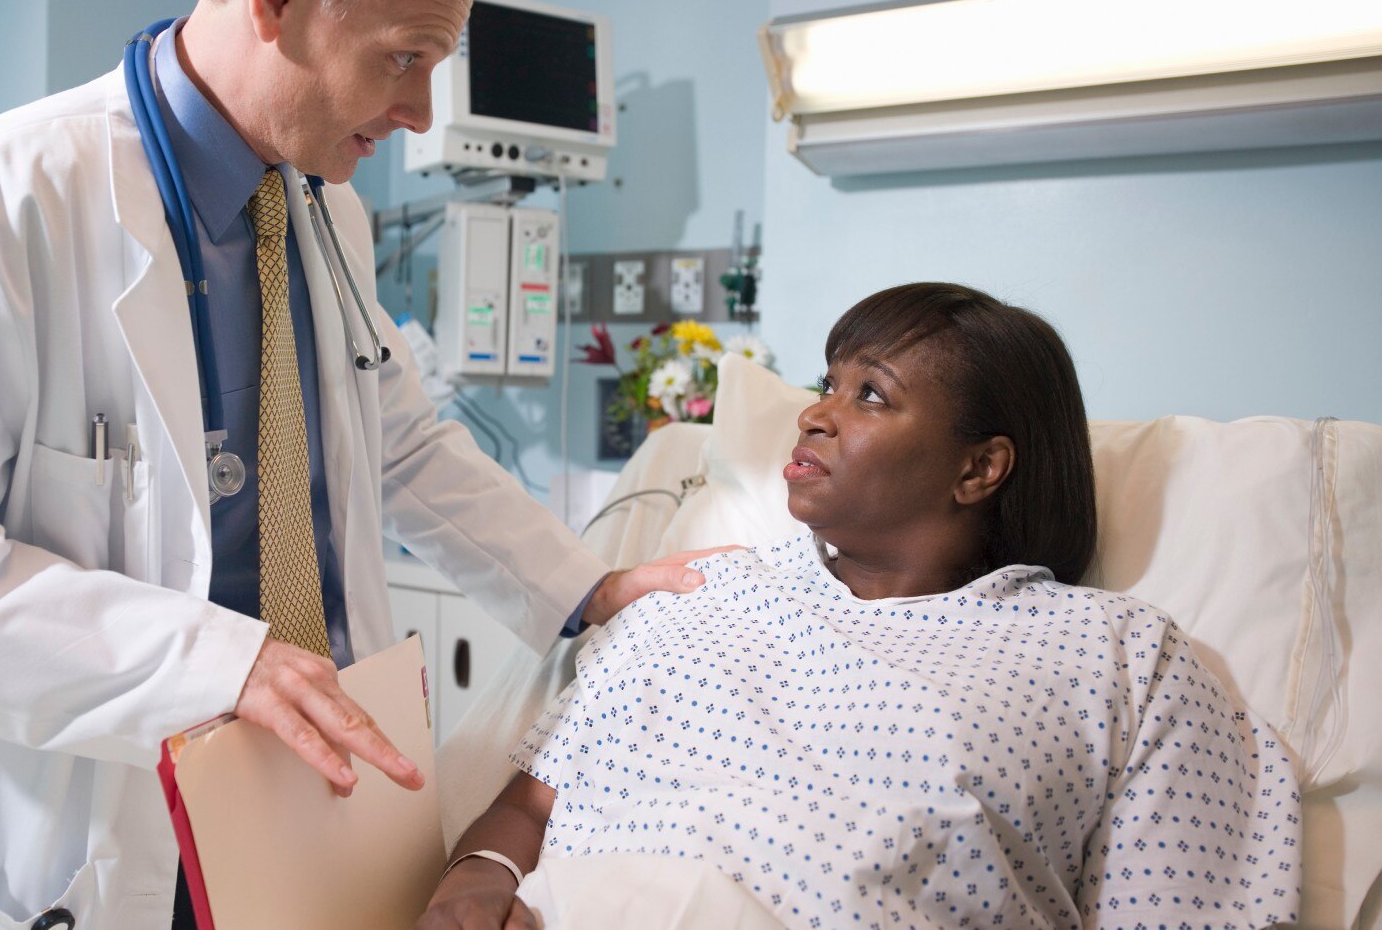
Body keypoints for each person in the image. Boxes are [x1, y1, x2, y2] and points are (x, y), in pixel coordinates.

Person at [0, 0, 705, 927]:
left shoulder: (327, 212)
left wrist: (587, 590)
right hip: (97, 839)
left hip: (309, 818)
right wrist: (210, 661)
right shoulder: (9, 201)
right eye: (405, 57)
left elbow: (399, 444)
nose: (418, 112)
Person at [420, 282, 1302, 930]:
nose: (816, 415)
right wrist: (476, 879)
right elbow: (531, 807)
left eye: (871, 394)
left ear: (979, 469)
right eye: (827, 384)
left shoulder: (1115, 656)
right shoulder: (699, 595)